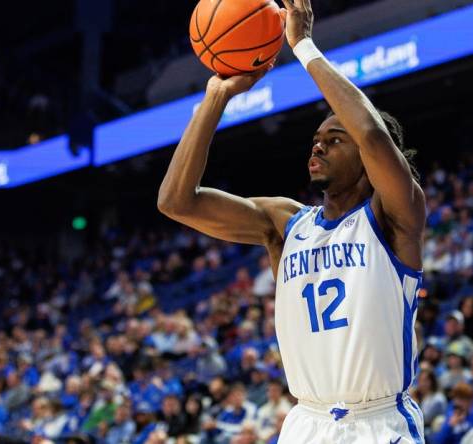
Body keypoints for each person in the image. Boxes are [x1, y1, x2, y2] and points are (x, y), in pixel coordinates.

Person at [157, 0, 426, 441]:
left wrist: (302, 47)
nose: (317, 147)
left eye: (334, 140)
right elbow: (176, 201)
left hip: (379, 422)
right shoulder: (285, 223)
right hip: (307, 421)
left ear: (367, 157)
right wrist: (216, 97)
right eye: (315, 140)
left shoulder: (394, 216)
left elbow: (374, 135)